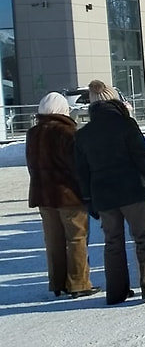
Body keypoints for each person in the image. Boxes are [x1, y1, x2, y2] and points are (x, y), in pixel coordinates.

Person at [74, 80, 145, 305]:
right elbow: (143, 156)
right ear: (113, 99)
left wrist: (88, 199)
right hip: (132, 190)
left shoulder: (83, 134)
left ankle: (116, 292)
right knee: (144, 238)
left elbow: (81, 171)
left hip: (104, 195)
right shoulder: (126, 124)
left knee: (112, 242)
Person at [26, 92, 99, 299]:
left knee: (53, 240)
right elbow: (76, 166)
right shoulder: (68, 132)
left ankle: (57, 282)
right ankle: (79, 283)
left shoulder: (33, 133)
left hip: (43, 194)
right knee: (76, 238)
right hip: (68, 195)